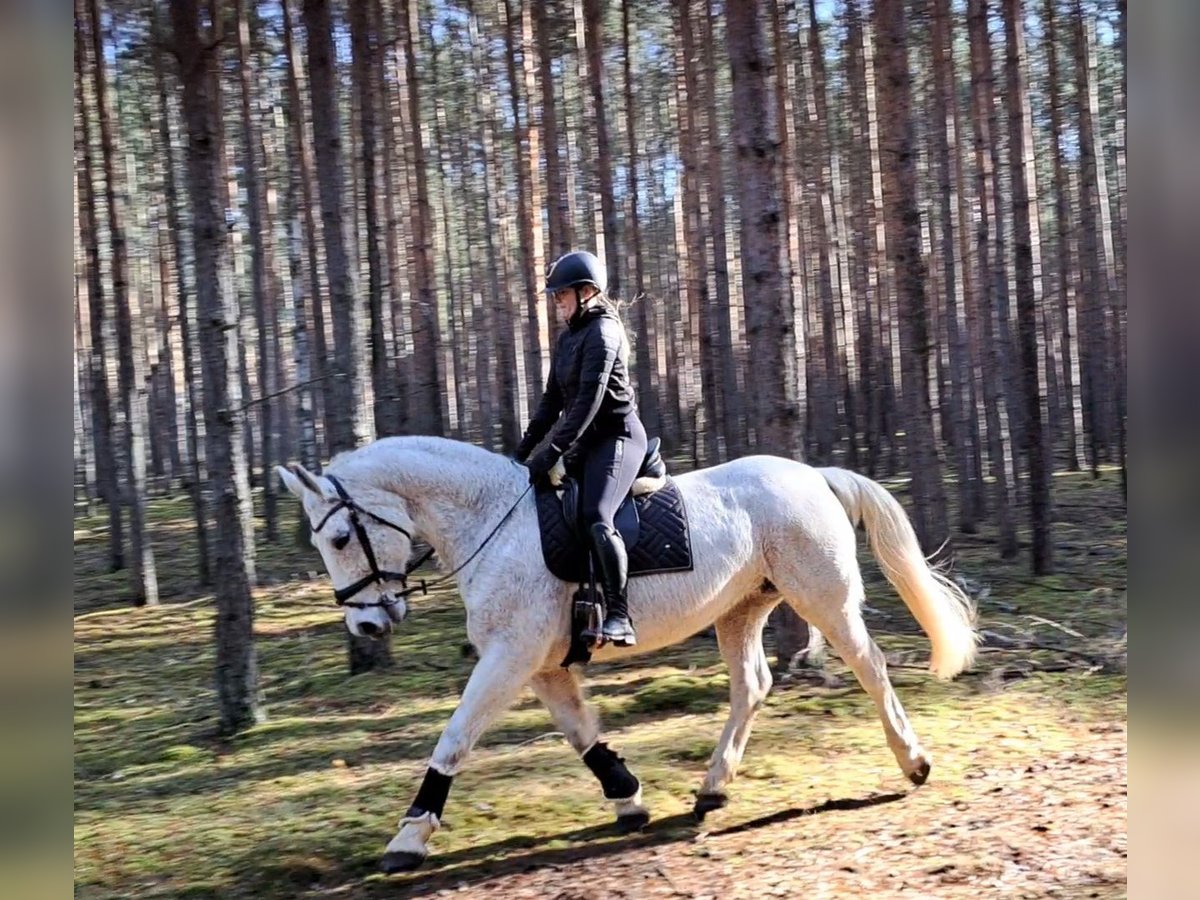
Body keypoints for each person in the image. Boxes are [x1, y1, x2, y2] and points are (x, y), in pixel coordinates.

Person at [515, 250, 648, 647]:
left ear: (587, 292)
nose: (557, 304)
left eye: (562, 296)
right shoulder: (569, 337)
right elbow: (552, 401)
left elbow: (588, 404)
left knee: (595, 514)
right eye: (555, 298)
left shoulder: (605, 333)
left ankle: (620, 616)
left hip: (617, 437)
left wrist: (551, 452)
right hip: (584, 440)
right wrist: (521, 454)